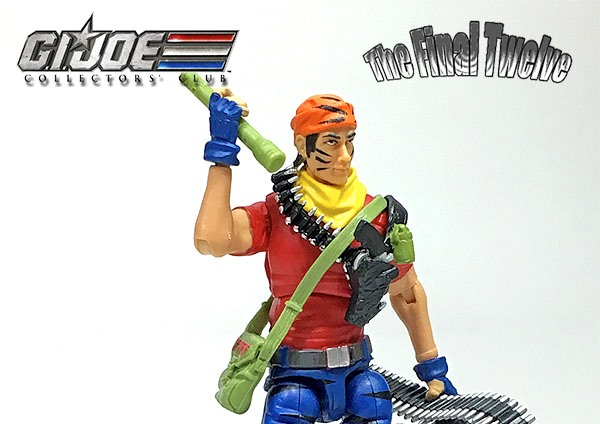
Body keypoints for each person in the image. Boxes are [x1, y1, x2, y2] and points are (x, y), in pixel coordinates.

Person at [194, 90, 457, 424]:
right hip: (296, 373)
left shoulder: (376, 214)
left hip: (356, 370)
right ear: (303, 146)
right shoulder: (278, 212)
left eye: (349, 140)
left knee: (373, 400)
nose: (344, 156)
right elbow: (211, 240)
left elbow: (407, 292)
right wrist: (222, 152)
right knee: (290, 405)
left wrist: (432, 366)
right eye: (331, 142)